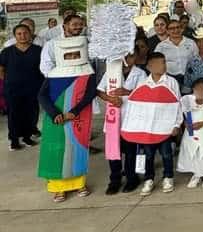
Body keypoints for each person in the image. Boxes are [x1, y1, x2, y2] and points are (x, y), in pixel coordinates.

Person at [38, 35, 97, 202]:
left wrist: (75, 111)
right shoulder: (54, 73)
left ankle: (79, 184)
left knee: (77, 149)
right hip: (55, 119)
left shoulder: (87, 71)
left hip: (78, 118)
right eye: (68, 55)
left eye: (75, 54)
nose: (72, 57)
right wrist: (54, 113)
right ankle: (58, 188)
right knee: (56, 152)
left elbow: (90, 94)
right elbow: (42, 95)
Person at [132, 53, 183, 196]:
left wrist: (177, 124)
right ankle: (149, 179)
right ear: (150, 66)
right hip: (148, 127)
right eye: (160, 63)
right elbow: (138, 106)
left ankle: (168, 177)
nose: (164, 66)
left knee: (166, 154)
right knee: (149, 155)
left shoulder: (171, 82)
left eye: (164, 62)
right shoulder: (143, 83)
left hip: (165, 126)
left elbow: (177, 104)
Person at [95, 52, 145, 194]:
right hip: (113, 119)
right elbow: (99, 90)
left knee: (130, 152)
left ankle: (131, 178)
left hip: (131, 119)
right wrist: (110, 99)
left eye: (130, 56)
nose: (126, 60)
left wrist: (127, 92)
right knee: (113, 151)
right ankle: (114, 180)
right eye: (124, 56)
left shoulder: (140, 73)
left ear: (135, 57)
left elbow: (144, 93)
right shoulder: (111, 72)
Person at [0, 24, 43, 150]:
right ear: (15, 36)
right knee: (14, 114)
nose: (22, 36)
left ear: (30, 34)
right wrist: (8, 81)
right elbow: (1, 69)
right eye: (19, 34)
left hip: (33, 88)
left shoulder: (38, 50)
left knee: (31, 113)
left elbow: (44, 68)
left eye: (25, 33)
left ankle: (27, 137)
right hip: (13, 89)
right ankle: (14, 140)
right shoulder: (7, 51)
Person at [155, 19, 198, 88]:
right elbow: (156, 64)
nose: (176, 30)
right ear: (167, 31)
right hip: (169, 79)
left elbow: (197, 60)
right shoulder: (161, 46)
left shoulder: (191, 43)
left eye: (178, 27)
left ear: (182, 29)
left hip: (189, 78)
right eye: (172, 28)